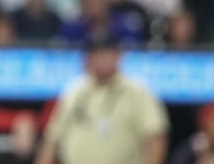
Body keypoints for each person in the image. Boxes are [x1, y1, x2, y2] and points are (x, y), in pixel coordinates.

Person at [34, 34, 169, 164]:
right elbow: (52, 141)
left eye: (104, 53)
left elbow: (156, 138)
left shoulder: (137, 92)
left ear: (118, 55)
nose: (99, 59)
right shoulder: (75, 91)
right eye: (93, 54)